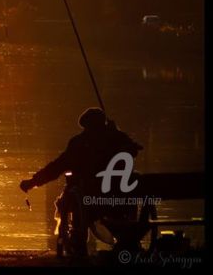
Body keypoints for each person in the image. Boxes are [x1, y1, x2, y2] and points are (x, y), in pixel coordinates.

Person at [19, 108, 143, 255]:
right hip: (118, 197)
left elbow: (58, 166)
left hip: (90, 197)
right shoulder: (116, 138)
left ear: (85, 125)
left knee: (77, 191)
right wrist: (116, 131)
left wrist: (33, 182)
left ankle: (78, 241)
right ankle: (127, 241)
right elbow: (134, 150)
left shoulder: (79, 143)